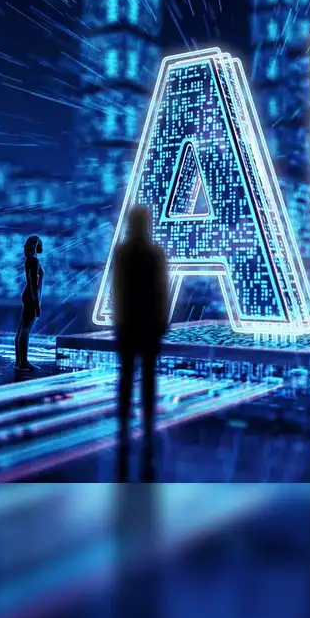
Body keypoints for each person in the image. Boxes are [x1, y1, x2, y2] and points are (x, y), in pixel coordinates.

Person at [112, 206, 169, 482]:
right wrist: (161, 321)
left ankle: (124, 426)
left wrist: (119, 322)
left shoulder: (122, 254)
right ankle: (147, 426)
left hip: (128, 324)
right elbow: (161, 291)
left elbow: (118, 291)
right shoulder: (154, 254)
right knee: (147, 377)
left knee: (126, 377)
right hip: (147, 325)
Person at [14, 235, 44, 371]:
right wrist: (37, 304)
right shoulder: (34, 261)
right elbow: (33, 284)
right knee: (25, 329)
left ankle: (19, 361)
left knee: (22, 329)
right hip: (31, 296)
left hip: (29, 296)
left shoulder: (30, 260)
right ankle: (23, 361)